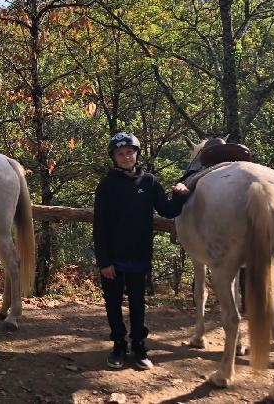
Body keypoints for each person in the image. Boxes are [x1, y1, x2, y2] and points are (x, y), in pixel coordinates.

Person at [93, 132, 189, 370]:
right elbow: (100, 225)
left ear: (136, 154)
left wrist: (178, 195)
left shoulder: (150, 182)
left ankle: (139, 346)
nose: (126, 157)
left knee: (138, 303)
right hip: (113, 258)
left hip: (139, 256)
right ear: (114, 157)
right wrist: (104, 261)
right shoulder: (106, 185)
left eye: (130, 152)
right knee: (113, 303)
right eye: (120, 154)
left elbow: (167, 210)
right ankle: (118, 345)